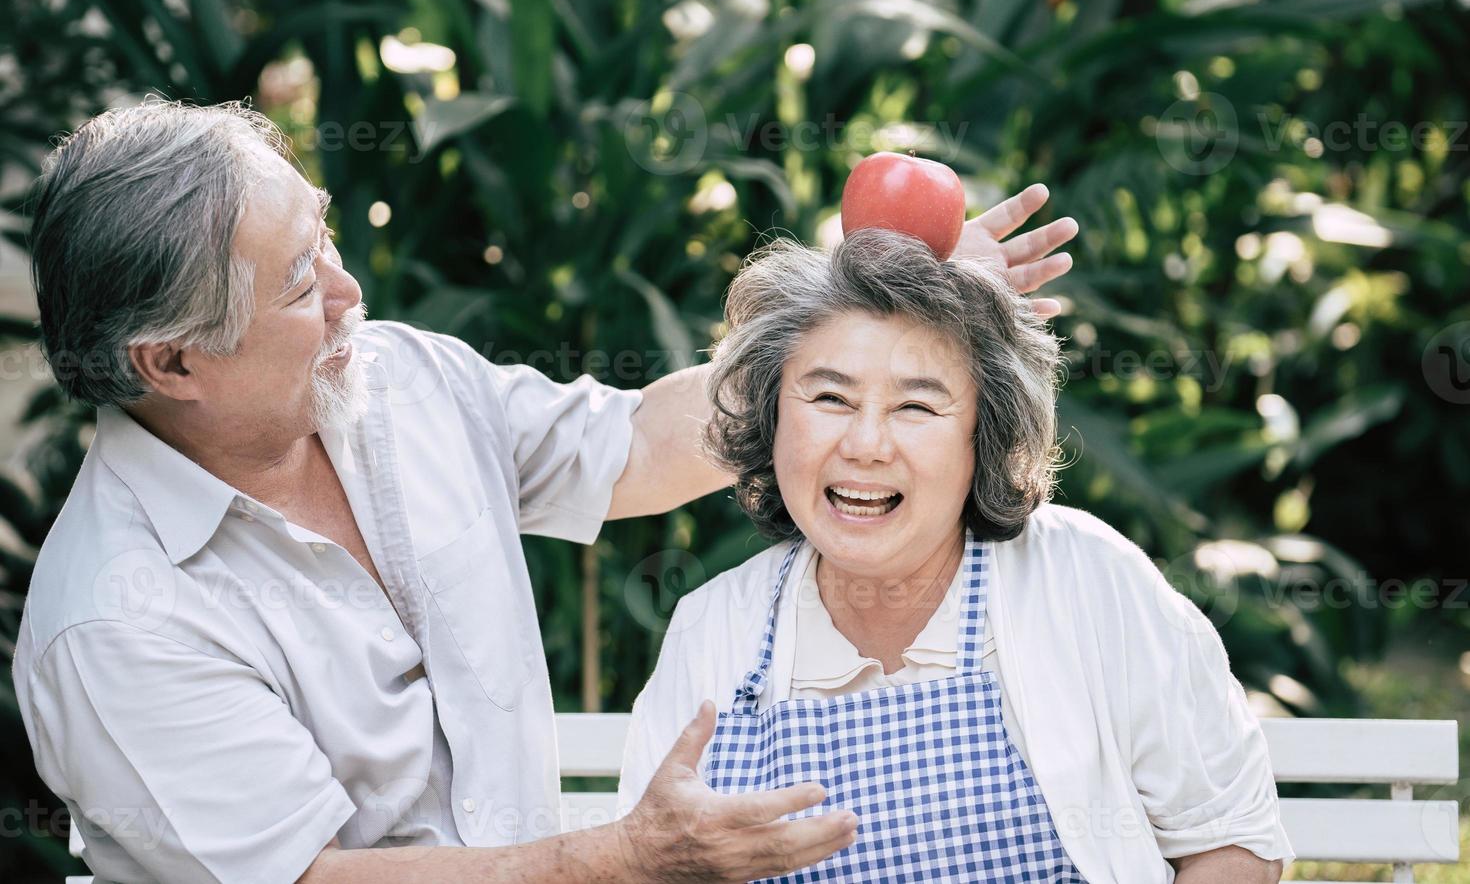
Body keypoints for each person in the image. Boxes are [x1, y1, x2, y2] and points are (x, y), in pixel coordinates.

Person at [12, 99, 1078, 883]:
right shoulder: (117, 620)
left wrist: (869, 316)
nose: (349, 290)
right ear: (170, 363)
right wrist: (628, 855)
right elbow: (314, 879)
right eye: (298, 281)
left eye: (322, 233)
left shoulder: (400, 381)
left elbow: (634, 448)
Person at [618, 232, 1295, 882]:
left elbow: (1232, 841)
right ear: (772, 417)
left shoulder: (1087, 580)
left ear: (985, 436)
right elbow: (646, 867)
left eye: (916, 406)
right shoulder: (713, 628)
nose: (866, 444)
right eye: (829, 397)